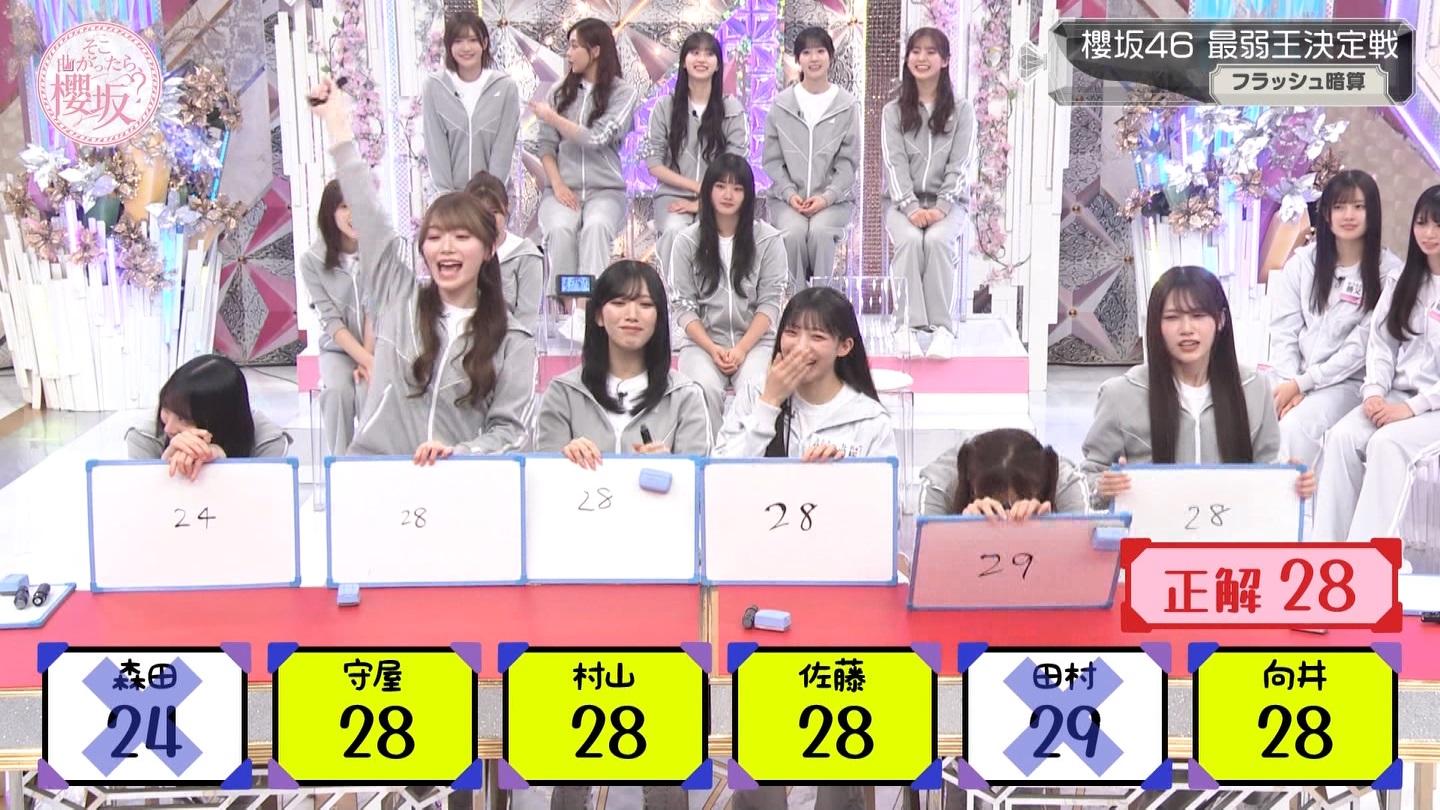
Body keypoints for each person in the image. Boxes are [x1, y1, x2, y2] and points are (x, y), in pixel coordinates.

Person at [311, 78, 535, 462]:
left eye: (461, 236)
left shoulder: (512, 339)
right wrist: (338, 127)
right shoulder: (400, 300)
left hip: (457, 483)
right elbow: (369, 216)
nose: (445, 247)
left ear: (488, 249)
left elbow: (511, 433)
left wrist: (460, 453)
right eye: (434, 237)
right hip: (379, 473)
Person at [1082, 266, 1315, 509]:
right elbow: (1086, 480)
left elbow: (1268, 468)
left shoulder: (1255, 388)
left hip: (1231, 527)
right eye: (1172, 317)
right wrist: (1103, 488)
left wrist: (1291, 483)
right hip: (1151, 529)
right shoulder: (1120, 394)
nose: (1186, 329)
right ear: (1155, 325)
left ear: (1220, 320)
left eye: (1198, 315)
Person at [1314, 184, 1440, 543]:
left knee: (1387, 444)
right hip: (1396, 396)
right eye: (1422, 223)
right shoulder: (1403, 281)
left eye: (1439, 225)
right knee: (1341, 437)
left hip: (1432, 406)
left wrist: (1410, 409)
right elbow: (1382, 345)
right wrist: (1373, 393)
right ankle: (1327, 552)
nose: (1428, 233)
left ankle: (1368, 556)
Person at [1268, 170, 1401, 467]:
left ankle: (1296, 497)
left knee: (1294, 428)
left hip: (1349, 383)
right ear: (1326, 214)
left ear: (1373, 213)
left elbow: (1359, 349)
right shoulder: (1303, 263)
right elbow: (1284, 331)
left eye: (1358, 206)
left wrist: (1302, 384)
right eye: (1339, 206)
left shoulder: (1389, 273)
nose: (1348, 215)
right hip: (1296, 377)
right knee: (1253, 416)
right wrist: (1289, 382)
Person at [537, 260, 710, 466]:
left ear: (659, 318)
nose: (632, 316)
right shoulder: (562, 393)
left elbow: (697, 479)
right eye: (619, 303)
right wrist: (565, 460)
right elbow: (544, 475)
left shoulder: (685, 397)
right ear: (599, 316)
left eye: (645, 305)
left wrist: (670, 468)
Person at [533, 18, 640, 342]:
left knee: (595, 227)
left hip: (605, 190)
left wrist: (552, 117)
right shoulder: (558, 92)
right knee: (560, 229)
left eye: (574, 46)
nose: (568, 53)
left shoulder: (623, 93)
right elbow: (546, 146)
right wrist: (558, 185)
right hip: (562, 189)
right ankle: (570, 308)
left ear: (595, 51)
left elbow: (597, 138)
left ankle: (586, 309)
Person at [670, 155, 788, 430]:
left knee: (755, 389)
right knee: (702, 390)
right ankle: (709, 455)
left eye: (737, 188)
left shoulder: (769, 239)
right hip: (702, 344)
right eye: (721, 186)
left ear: (748, 195)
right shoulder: (686, 241)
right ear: (708, 190)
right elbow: (684, 306)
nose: (728, 195)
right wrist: (713, 348)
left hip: (756, 343)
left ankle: (746, 456)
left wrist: (741, 349)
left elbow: (770, 303)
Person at [716, 286, 896, 460]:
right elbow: (720, 472)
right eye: (791, 332)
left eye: (817, 337)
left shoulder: (869, 418)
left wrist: (837, 473)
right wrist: (769, 403)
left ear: (844, 346)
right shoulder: (754, 394)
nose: (800, 348)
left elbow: (882, 480)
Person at [881, 27, 974, 360]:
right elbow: (893, 164)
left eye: (931, 52)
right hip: (901, 203)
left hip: (949, 204)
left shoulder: (962, 110)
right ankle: (905, 326)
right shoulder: (893, 111)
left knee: (936, 241)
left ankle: (942, 329)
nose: (922, 58)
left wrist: (941, 207)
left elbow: (961, 164)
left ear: (945, 60)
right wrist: (910, 207)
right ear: (907, 59)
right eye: (916, 51)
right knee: (909, 241)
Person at [761, 27, 860, 291]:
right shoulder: (781, 105)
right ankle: (797, 302)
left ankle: (821, 299)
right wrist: (789, 193)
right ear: (798, 59)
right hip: (787, 201)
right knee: (792, 234)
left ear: (830, 56)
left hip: (833, 202)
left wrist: (826, 197)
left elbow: (848, 164)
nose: (814, 58)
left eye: (820, 51)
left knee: (820, 232)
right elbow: (772, 160)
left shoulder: (846, 105)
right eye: (806, 52)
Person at [642, 30, 748, 274]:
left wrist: (704, 200)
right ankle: (676, 295)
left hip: (721, 198)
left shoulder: (732, 108)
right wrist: (697, 187)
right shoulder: (665, 106)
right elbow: (654, 164)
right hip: (673, 195)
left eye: (709, 54)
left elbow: (735, 164)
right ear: (683, 62)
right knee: (675, 232)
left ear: (718, 65)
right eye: (695, 52)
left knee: (714, 238)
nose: (701, 59)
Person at [126, 354, 291, 479]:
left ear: (218, 420)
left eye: (183, 419)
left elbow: (265, 506)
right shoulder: (145, 436)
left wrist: (221, 467)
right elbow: (139, 506)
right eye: (166, 410)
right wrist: (164, 467)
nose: (169, 428)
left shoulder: (267, 441)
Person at [300, 179, 374, 456]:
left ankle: (376, 465)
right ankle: (340, 466)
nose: (353, 213)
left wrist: (369, 359)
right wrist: (365, 360)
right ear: (330, 213)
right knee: (336, 393)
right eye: (344, 206)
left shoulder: (379, 251)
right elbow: (330, 321)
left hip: (378, 346)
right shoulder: (312, 260)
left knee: (368, 390)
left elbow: (375, 309)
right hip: (337, 350)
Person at [421, 12, 520, 194]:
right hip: (448, 198)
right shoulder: (434, 86)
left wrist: (490, 197)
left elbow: (503, 149)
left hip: (491, 197)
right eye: (458, 41)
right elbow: (435, 145)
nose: (466, 48)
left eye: (473, 40)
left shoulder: (505, 88)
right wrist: (448, 198)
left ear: (484, 43)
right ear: (449, 46)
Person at [919, 429, 1088, 518]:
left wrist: (1048, 530)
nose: (1007, 515)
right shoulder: (939, 485)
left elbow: (1086, 564)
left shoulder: (1065, 483)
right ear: (972, 488)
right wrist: (964, 531)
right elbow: (927, 567)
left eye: (1018, 503)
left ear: (1041, 486)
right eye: (998, 507)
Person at [464, 171, 544, 336]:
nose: (487, 218)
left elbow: (527, 321)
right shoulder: (458, 252)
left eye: (494, 212)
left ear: (506, 208)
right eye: (480, 212)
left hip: (510, 344)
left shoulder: (525, 255)